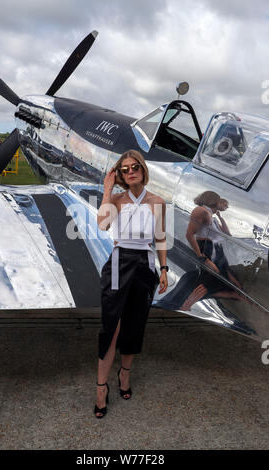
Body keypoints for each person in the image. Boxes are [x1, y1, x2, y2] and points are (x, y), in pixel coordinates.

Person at [94, 149, 168, 418]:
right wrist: (106, 190)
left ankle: (124, 375)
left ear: (142, 169)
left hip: (145, 266)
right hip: (119, 262)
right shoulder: (115, 200)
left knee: (135, 324)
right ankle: (101, 388)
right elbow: (102, 225)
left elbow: (160, 239)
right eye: (124, 169)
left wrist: (164, 269)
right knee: (111, 326)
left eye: (134, 166)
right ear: (120, 174)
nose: (130, 171)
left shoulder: (157, 202)